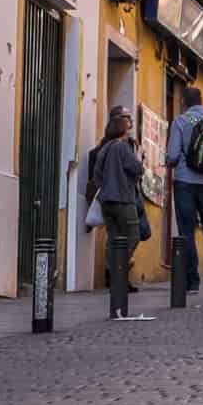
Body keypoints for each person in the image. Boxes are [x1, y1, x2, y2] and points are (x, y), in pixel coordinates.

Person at [163, 84, 203, 293]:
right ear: (202, 100)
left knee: (186, 231)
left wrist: (170, 161)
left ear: (183, 102)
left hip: (185, 183)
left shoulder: (180, 121)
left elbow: (172, 155)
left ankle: (192, 281)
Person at [88, 110, 143, 306]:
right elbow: (137, 169)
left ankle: (114, 273)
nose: (129, 131)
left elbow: (97, 175)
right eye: (127, 128)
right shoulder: (121, 148)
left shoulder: (104, 148)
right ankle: (120, 269)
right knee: (133, 235)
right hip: (122, 199)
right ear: (121, 130)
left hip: (106, 201)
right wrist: (139, 157)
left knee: (113, 238)